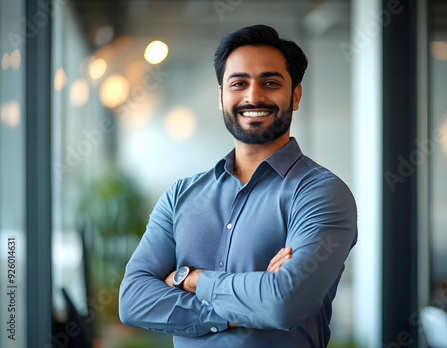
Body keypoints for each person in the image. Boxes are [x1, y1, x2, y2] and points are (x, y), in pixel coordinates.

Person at [119, 24, 358, 348]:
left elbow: (284, 303)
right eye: (239, 83)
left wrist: (189, 278)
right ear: (221, 96)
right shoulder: (181, 196)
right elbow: (133, 300)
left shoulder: (320, 193)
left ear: (296, 96)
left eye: (270, 83)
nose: (253, 96)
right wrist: (247, 302)